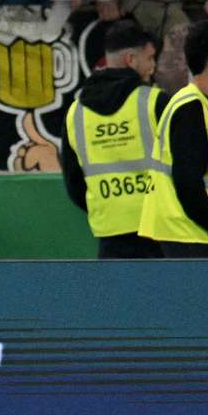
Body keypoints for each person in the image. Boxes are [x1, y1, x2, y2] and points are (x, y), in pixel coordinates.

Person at [62, 20, 169, 259]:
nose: (153, 66)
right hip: (159, 229)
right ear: (131, 59)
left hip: (110, 232)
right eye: (150, 58)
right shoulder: (155, 102)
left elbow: (73, 182)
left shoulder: (76, 112)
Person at [139, 19, 208, 258]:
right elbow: (188, 185)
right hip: (193, 239)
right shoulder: (192, 109)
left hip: (188, 237)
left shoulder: (194, 104)